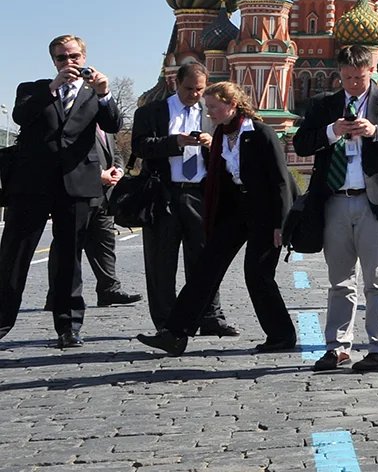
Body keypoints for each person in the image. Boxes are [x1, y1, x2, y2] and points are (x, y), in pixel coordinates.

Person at [137, 81, 298, 356]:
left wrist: (280, 224)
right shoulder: (222, 135)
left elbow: (281, 181)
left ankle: (281, 335)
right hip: (235, 211)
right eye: (207, 107)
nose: (208, 111)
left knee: (257, 275)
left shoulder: (261, 133)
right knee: (205, 268)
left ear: (232, 104)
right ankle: (175, 333)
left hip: (264, 212)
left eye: (213, 106)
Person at [292, 44, 378, 373]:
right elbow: (301, 142)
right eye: (347, 77)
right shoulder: (325, 105)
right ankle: (337, 347)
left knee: (377, 278)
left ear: (372, 71)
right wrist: (331, 131)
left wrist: (376, 131)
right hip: (334, 200)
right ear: (339, 74)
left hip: (373, 200)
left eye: (359, 77)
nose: (353, 83)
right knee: (339, 280)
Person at [0, 34, 123, 347]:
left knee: (70, 258)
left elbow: (112, 125)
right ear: (53, 61)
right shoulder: (33, 89)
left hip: (77, 183)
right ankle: (2, 321)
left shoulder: (96, 93)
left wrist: (105, 92)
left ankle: (69, 328)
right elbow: (20, 116)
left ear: (84, 57)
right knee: (14, 255)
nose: (69, 63)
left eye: (73, 57)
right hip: (32, 184)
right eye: (61, 58)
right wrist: (52, 87)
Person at [131, 60, 237, 336]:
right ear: (175, 83)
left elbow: (230, 152)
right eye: (189, 88)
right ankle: (168, 323)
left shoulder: (213, 113)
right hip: (163, 194)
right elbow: (140, 146)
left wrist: (211, 144)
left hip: (200, 194)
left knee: (205, 260)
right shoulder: (152, 112)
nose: (195, 95)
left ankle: (210, 317)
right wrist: (174, 142)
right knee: (161, 263)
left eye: (200, 90)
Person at [80, 127, 142, 308]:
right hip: (81, 191)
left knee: (105, 242)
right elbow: (74, 151)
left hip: (105, 194)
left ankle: (109, 290)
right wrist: (98, 173)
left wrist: (119, 170)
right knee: (68, 245)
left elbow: (114, 151)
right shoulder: (79, 119)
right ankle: (57, 295)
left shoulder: (105, 126)